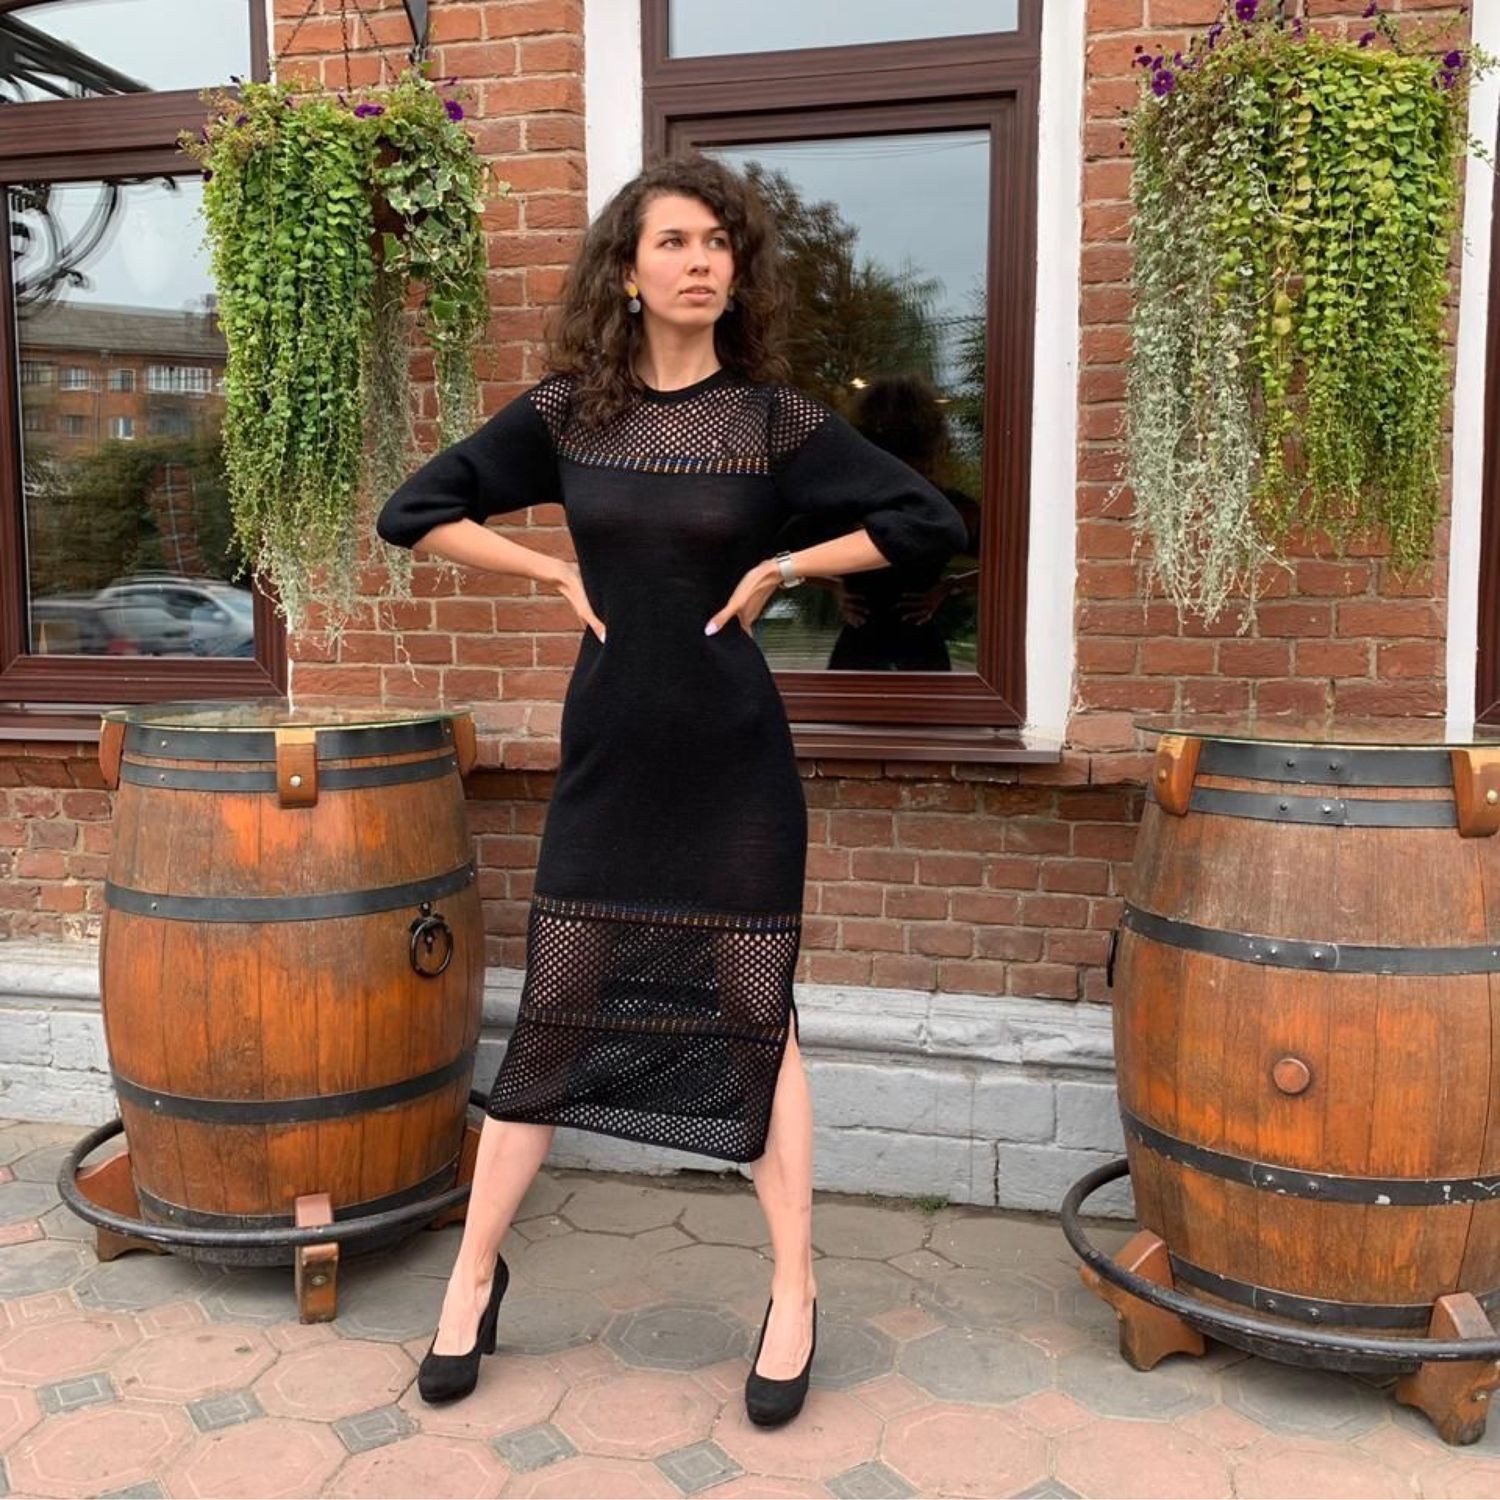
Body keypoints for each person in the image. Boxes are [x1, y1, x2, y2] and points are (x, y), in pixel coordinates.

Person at [375, 153, 968, 1427]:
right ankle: (472, 1280)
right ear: (628, 272)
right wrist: (548, 572)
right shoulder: (569, 416)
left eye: (718, 244)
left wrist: (787, 567)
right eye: (674, 242)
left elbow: (928, 523)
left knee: (759, 1012)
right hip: (611, 757)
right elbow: (415, 510)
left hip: (733, 762)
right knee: (556, 1009)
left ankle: (794, 1292)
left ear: (736, 273)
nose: (701, 263)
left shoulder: (773, 424)